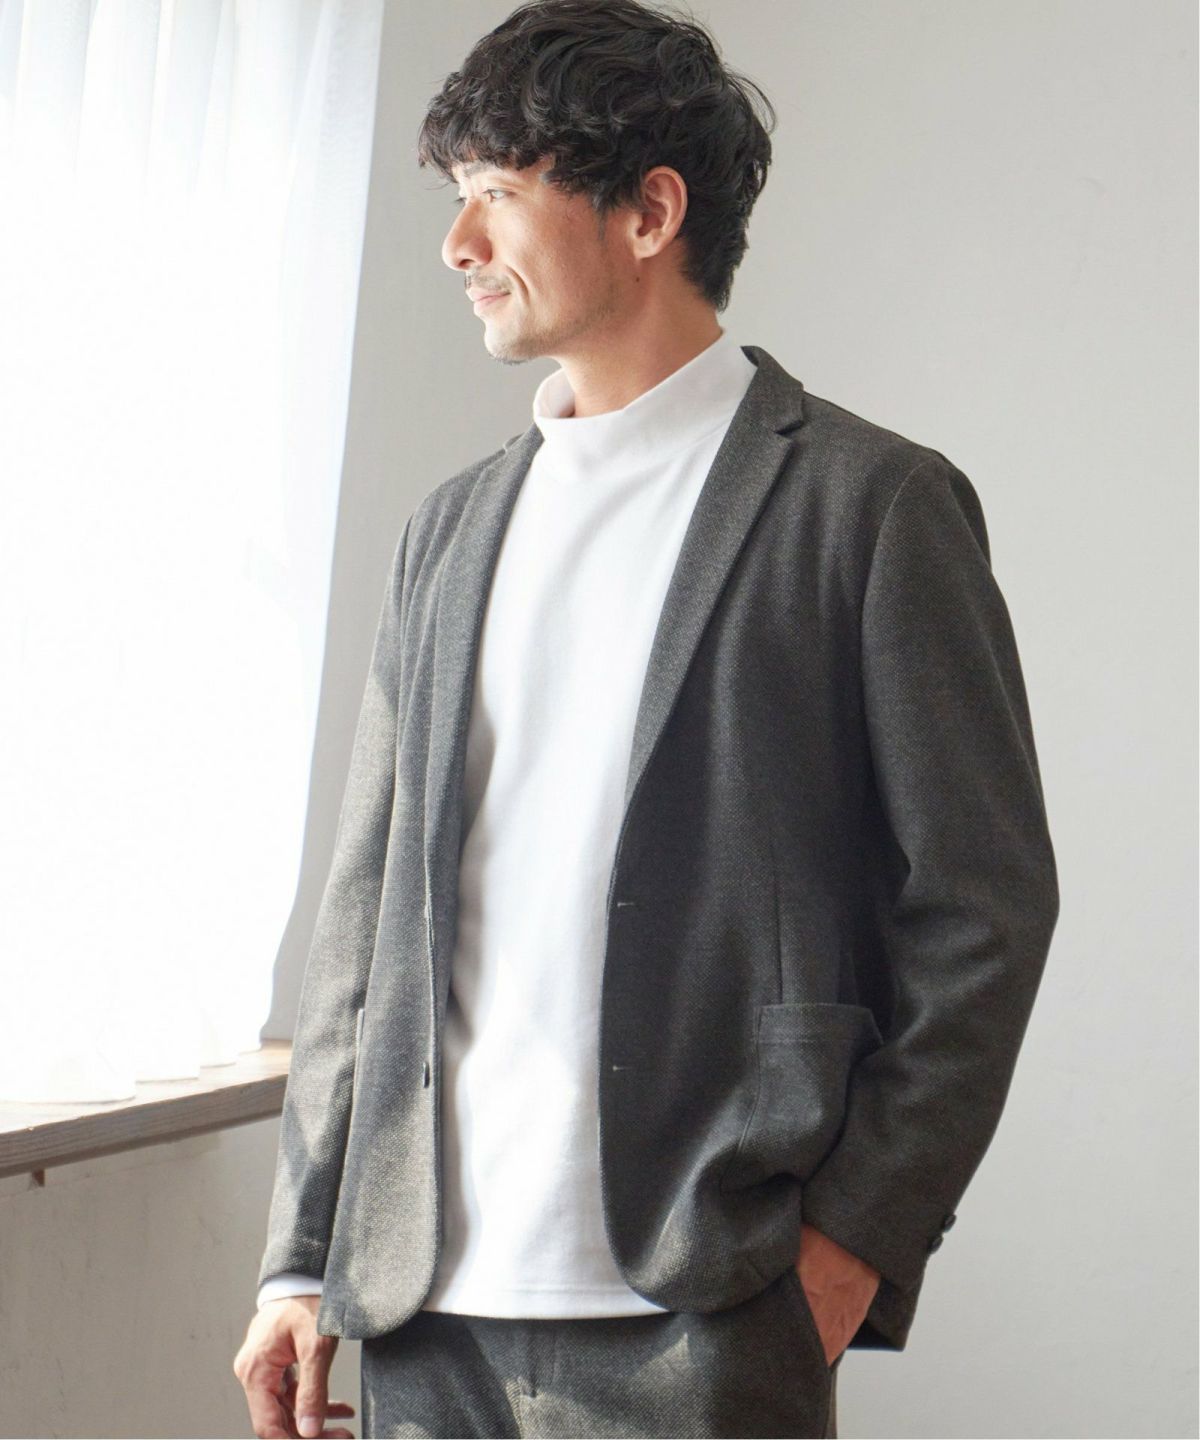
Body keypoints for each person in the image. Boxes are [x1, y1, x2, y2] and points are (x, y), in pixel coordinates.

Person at [233, 2, 1060, 1436]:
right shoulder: (449, 532)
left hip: (707, 1307)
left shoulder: (868, 507)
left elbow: (986, 906)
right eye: (456, 198)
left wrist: (856, 1242)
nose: (458, 244)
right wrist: (301, 1257)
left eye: (498, 192)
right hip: (424, 1319)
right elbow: (367, 921)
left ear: (649, 213)